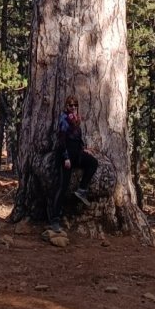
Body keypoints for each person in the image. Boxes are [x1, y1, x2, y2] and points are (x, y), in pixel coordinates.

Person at [47, 93, 98, 232]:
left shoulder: (76, 119)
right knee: (62, 187)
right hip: (66, 156)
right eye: (70, 105)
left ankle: (82, 190)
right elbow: (62, 139)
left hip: (77, 153)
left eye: (75, 105)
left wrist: (84, 149)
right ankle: (55, 220)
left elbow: (77, 137)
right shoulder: (64, 119)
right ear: (66, 105)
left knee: (93, 163)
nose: (73, 107)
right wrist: (66, 158)